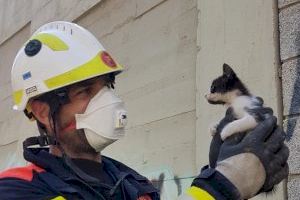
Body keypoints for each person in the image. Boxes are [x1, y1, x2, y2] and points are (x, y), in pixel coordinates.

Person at [0, 21, 288, 200]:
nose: (106, 101)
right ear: (40, 111)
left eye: (106, 88)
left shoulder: (131, 183)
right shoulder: (17, 189)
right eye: (85, 92)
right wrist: (221, 187)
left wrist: (216, 173)